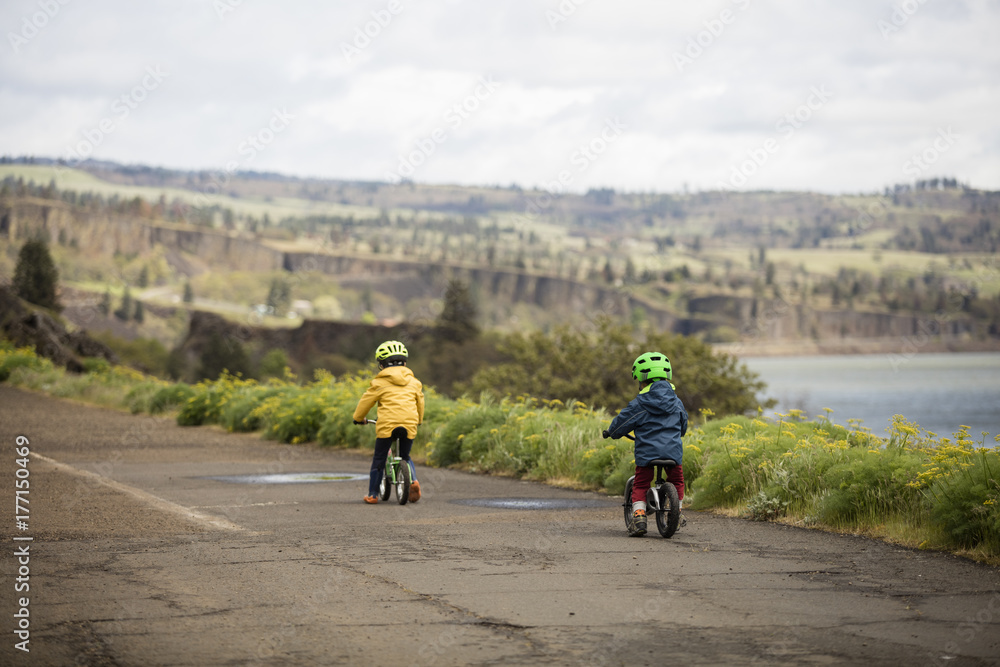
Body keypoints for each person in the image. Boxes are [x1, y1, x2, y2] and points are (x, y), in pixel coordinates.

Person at [603, 352, 688, 536]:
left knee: (641, 484)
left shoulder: (640, 403)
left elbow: (622, 423)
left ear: (642, 380)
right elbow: (683, 426)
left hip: (647, 454)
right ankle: (677, 512)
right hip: (673, 453)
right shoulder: (676, 402)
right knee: (677, 480)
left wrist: (612, 433)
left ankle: (639, 518)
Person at [353, 340, 425, 504]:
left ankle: (373, 495)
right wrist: (418, 420)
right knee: (405, 456)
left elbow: (366, 402)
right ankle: (413, 481)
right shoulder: (415, 383)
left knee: (379, 458)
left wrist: (358, 419)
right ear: (405, 362)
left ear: (381, 364)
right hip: (409, 424)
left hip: (387, 425)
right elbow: (420, 403)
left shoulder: (379, 383)